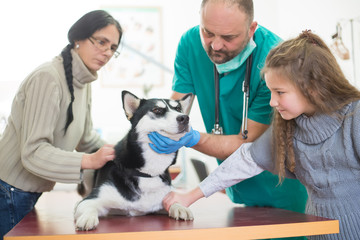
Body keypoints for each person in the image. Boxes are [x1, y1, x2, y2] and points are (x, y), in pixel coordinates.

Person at [162, 30, 360, 240]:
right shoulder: (290, 128)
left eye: (280, 92)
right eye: (271, 92)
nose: (272, 102)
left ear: (311, 87)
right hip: (317, 233)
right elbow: (245, 160)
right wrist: (189, 197)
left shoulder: (354, 118)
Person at [149, 0, 307, 221]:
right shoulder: (190, 44)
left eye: (228, 38)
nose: (215, 45)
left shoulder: (274, 61)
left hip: (284, 191)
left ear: (252, 29)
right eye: (208, 32)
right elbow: (173, 113)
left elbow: (248, 147)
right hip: (235, 188)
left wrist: (191, 138)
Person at [0, 10, 122, 239]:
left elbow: (86, 138)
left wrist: (123, 151)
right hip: (8, 190)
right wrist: (90, 160)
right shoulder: (48, 78)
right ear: (78, 38)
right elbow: (33, 152)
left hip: (25, 191)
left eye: (113, 48)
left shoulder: (83, 82)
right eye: (101, 42)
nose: (106, 53)